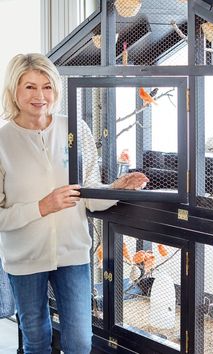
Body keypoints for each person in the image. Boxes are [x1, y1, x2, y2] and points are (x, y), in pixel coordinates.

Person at [0, 53, 148, 354]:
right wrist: (42, 206)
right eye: (29, 87)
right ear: (14, 90)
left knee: (80, 341)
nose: (40, 96)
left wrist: (116, 188)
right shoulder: (2, 141)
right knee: (36, 341)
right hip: (24, 259)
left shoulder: (74, 128)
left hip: (73, 254)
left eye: (47, 86)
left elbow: (89, 194)